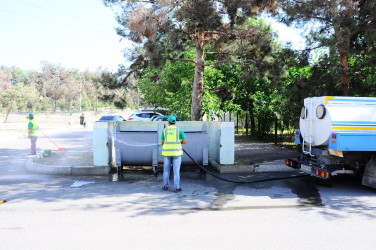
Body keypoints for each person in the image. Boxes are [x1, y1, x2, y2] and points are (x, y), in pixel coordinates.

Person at [161, 115, 187, 192]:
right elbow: (185, 141)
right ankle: (176, 187)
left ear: (168, 122)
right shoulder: (179, 130)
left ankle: (165, 186)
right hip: (177, 153)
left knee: (166, 171)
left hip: (167, 154)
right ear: (175, 122)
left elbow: (162, 142)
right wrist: (180, 142)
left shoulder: (164, 130)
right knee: (176, 171)